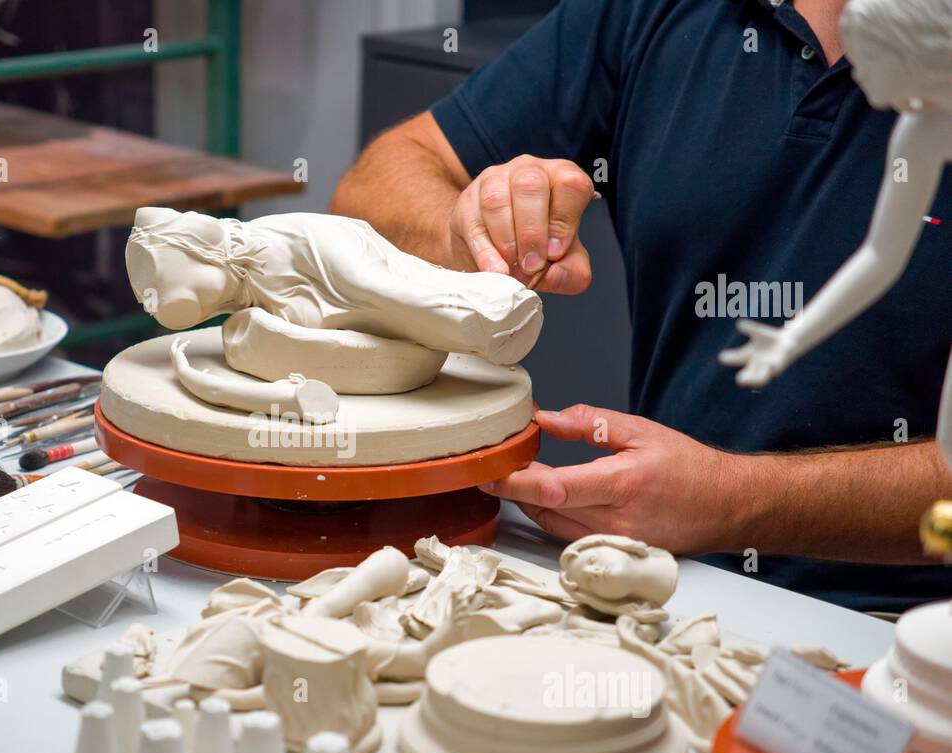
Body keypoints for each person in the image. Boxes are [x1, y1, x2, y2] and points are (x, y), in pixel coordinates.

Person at [331, 0, 952, 614]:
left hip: (908, 618)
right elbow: (367, 193)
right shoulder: (656, 12)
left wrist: (732, 501)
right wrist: (473, 233)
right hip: (668, 581)